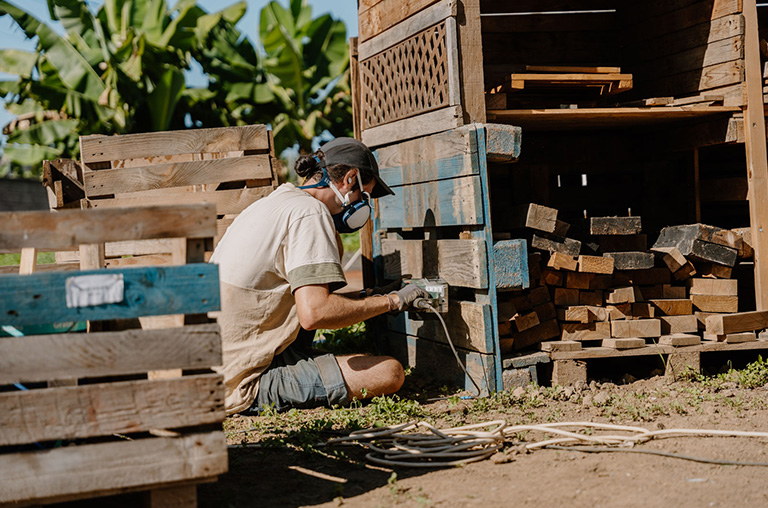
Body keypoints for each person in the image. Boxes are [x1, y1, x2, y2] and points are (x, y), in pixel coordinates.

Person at [210, 137, 430, 415]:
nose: (363, 205)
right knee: (389, 372)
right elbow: (315, 313)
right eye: (364, 196)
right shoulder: (310, 214)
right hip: (240, 380)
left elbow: (303, 296)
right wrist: (393, 302)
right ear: (350, 179)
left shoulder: (279, 201)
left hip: (219, 361)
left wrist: (369, 297)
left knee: (366, 362)